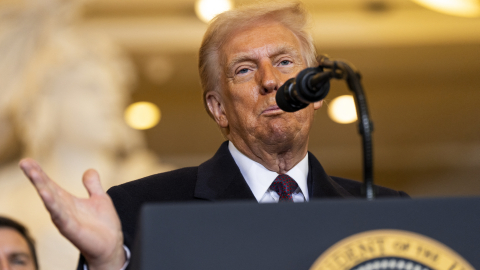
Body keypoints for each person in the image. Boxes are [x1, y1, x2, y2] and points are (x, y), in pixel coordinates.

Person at [18, 2, 408, 270]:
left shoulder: (391, 213)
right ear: (218, 108)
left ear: (315, 90)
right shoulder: (141, 210)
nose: (270, 80)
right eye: (243, 70)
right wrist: (107, 264)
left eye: (285, 62)